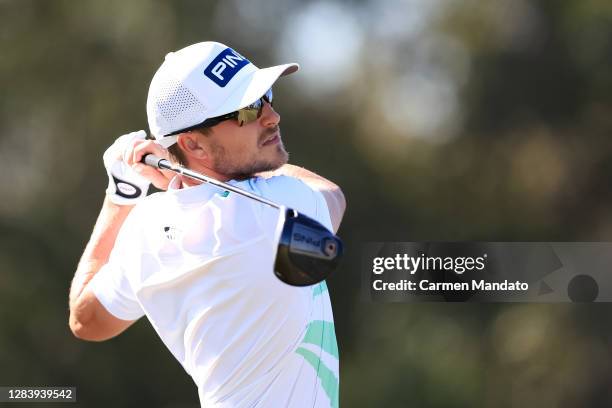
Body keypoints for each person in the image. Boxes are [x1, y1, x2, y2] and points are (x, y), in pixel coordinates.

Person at [68, 41, 346, 408]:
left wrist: (121, 194)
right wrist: (176, 176)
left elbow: (86, 321)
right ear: (193, 145)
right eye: (247, 110)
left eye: (266, 95)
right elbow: (332, 194)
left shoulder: (146, 230)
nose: (271, 116)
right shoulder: (275, 208)